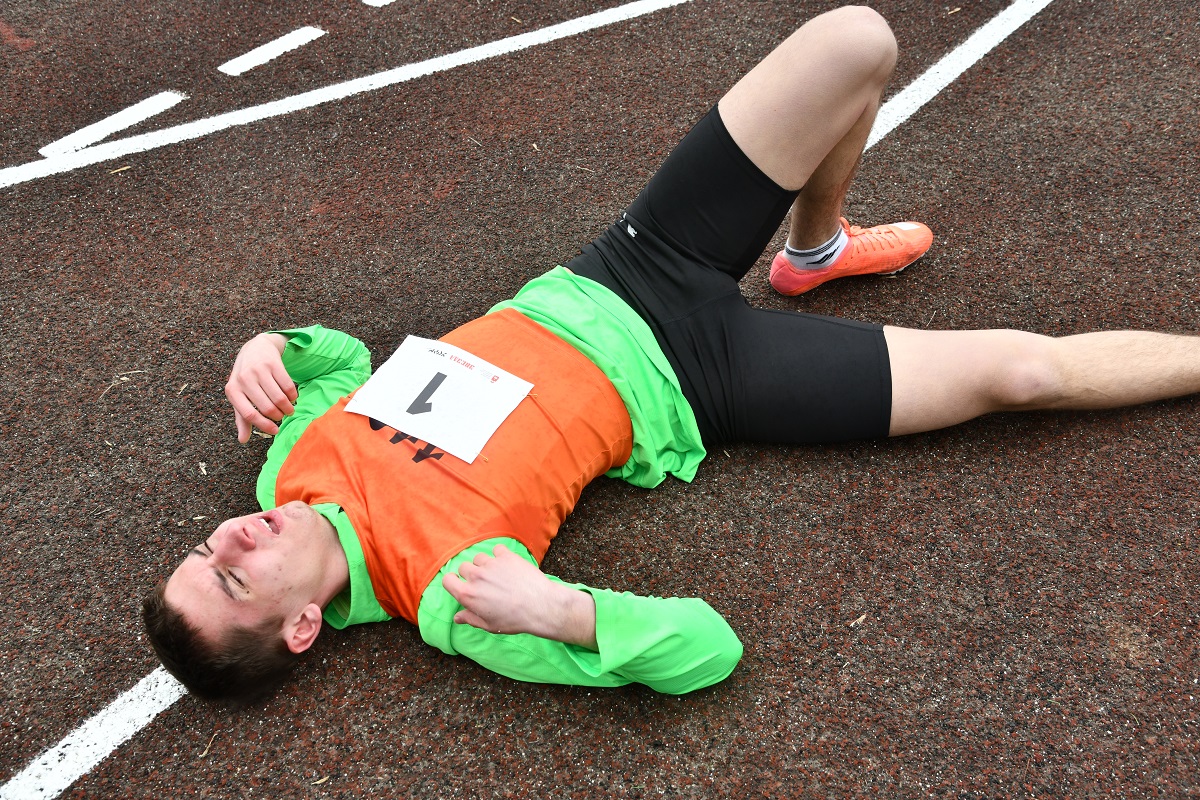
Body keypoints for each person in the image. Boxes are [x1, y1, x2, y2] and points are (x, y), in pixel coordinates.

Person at [143, 5, 1200, 705]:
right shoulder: (456, 598)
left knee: (858, 40)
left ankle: (816, 249)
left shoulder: (288, 471)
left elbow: (339, 362)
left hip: (621, 267)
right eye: (232, 576)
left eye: (204, 547)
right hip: (702, 377)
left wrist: (271, 346)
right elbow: (707, 648)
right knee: (1023, 377)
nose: (230, 534)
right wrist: (566, 612)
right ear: (300, 628)